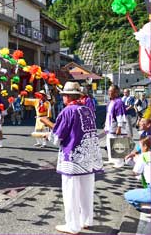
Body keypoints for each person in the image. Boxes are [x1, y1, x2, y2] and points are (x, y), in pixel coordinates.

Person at [46, 81, 103, 234]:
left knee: (70, 191)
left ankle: (72, 225)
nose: (62, 98)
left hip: (73, 157)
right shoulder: (87, 109)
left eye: (64, 95)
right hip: (89, 156)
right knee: (87, 190)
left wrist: (48, 131)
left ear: (68, 96)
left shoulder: (67, 111)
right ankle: (86, 220)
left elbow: (57, 137)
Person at [105, 85, 131, 168]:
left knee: (118, 143)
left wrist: (119, 127)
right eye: (108, 91)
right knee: (110, 143)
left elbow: (121, 115)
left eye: (110, 91)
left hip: (116, 126)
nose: (109, 93)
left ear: (116, 92)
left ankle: (119, 162)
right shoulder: (111, 102)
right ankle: (112, 160)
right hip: (110, 125)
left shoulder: (119, 102)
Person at [124, 137, 151, 211]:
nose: (140, 149)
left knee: (127, 195)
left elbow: (136, 173)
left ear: (145, 146)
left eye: (140, 146)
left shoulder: (144, 156)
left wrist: (137, 159)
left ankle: (146, 207)